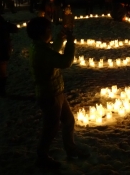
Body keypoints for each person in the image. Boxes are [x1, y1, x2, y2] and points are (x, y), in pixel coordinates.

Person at [27, 17, 89, 169]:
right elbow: (65, 62)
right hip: (49, 94)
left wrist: (60, 39)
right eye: (48, 31)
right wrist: (70, 42)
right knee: (51, 128)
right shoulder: (40, 51)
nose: (51, 33)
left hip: (57, 91)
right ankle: (42, 157)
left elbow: (52, 51)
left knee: (68, 121)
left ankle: (70, 148)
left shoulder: (41, 47)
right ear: (41, 34)